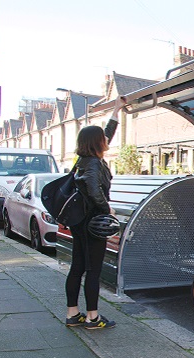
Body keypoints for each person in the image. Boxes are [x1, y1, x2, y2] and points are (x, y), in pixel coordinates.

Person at [65, 96, 126, 329]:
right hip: (93, 223)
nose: (106, 141)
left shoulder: (83, 159)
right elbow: (92, 188)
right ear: (96, 143)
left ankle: (73, 314)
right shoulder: (92, 163)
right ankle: (93, 317)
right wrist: (106, 208)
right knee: (93, 270)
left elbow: (107, 135)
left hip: (80, 221)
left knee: (78, 266)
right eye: (102, 139)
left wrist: (116, 110)